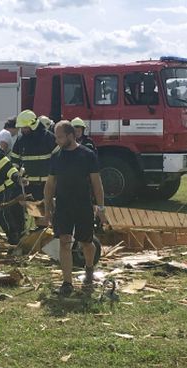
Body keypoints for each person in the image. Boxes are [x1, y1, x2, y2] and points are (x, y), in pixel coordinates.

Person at [44, 121, 106, 296]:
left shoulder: (87, 155)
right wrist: (47, 209)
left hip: (83, 205)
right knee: (64, 242)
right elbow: (50, 184)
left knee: (86, 243)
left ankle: (89, 267)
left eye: (60, 137)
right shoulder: (56, 156)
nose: (57, 140)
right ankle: (67, 283)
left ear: (71, 136)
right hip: (63, 205)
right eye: (56, 136)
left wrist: (101, 208)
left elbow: (97, 183)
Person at [10, 109, 59, 201]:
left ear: (33, 125)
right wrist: (18, 177)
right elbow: (14, 162)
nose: (22, 130)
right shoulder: (20, 140)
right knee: (34, 213)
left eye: (25, 127)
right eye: (21, 128)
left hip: (48, 185)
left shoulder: (48, 137)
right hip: (29, 186)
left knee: (49, 212)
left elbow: (60, 159)